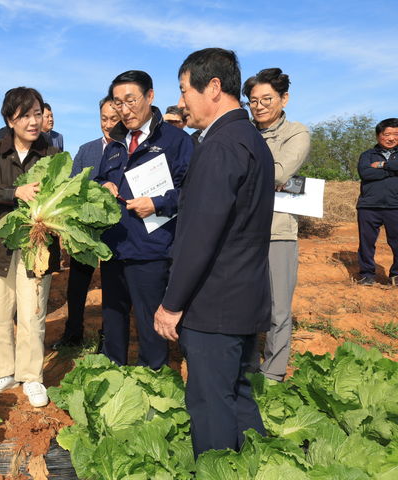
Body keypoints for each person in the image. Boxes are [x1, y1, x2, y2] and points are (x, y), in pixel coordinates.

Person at [154, 48, 274, 458]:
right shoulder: (249, 138)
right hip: (242, 297)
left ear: (214, 87)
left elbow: (200, 235)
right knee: (238, 394)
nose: (182, 100)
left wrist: (171, 304)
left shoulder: (221, 145)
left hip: (215, 302)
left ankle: (218, 467)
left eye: (185, 89)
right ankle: (258, 465)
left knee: (209, 404)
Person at [95, 70, 193, 369]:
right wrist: (102, 186)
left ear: (150, 97)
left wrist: (158, 203)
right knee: (113, 319)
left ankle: (153, 383)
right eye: (117, 103)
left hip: (151, 249)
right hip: (113, 248)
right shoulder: (115, 144)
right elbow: (99, 177)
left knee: (151, 324)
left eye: (130, 100)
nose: (124, 110)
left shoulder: (176, 141)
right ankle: (113, 378)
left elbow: (192, 191)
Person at [0, 87, 60, 407]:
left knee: (32, 314)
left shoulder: (51, 156)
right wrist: (15, 193)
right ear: (10, 119)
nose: (33, 121)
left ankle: (32, 376)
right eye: (25, 115)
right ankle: (4, 371)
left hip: (36, 247)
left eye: (37, 113)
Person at [243, 68, 310, 381]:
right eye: (253, 100)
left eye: (266, 99)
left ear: (284, 98)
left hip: (277, 233)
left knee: (278, 309)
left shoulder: (296, 132)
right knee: (243, 302)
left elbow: (280, 174)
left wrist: (242, 172)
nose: (259, 106)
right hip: (241, 232)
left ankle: (273, 374)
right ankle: (245, 367)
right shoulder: (243, 130)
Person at [52, 96, 121, 350]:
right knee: (77, 285)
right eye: (104, 119)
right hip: (85, 230)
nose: (108, 124)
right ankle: (73, 333)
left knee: (113, 287)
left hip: (117, 230)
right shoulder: (86, 149)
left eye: (114, 119)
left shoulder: (129, 150)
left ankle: (109, 336)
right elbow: (72, 185)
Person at [356, 118, 398, 285]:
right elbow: (366, 174)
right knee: (366, 243)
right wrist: (393, 170)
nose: (391, 138)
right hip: (368, 206)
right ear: (378, 136)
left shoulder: (378, 160)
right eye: (387, 134)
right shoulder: (367, 155)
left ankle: (396, 275)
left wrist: (381, 165)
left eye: (396, 134)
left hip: (395, 206)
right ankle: (367, 275)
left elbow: (375, 171)